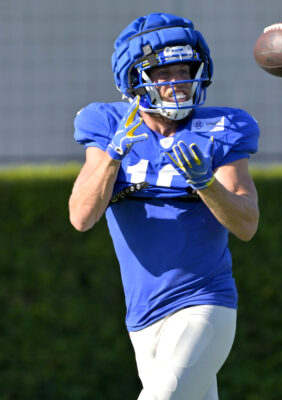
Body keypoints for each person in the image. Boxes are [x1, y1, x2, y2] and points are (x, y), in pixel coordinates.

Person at [68, 13, 260, 399]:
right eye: (163, 73)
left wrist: (207, 184)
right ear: (134, 78)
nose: (178, 83)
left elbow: (246, 224)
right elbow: (81, 217)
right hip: (141, 318)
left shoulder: (222, 128)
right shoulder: (108, 125)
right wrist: (112, 154)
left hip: (203, 303)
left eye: (184, 69)